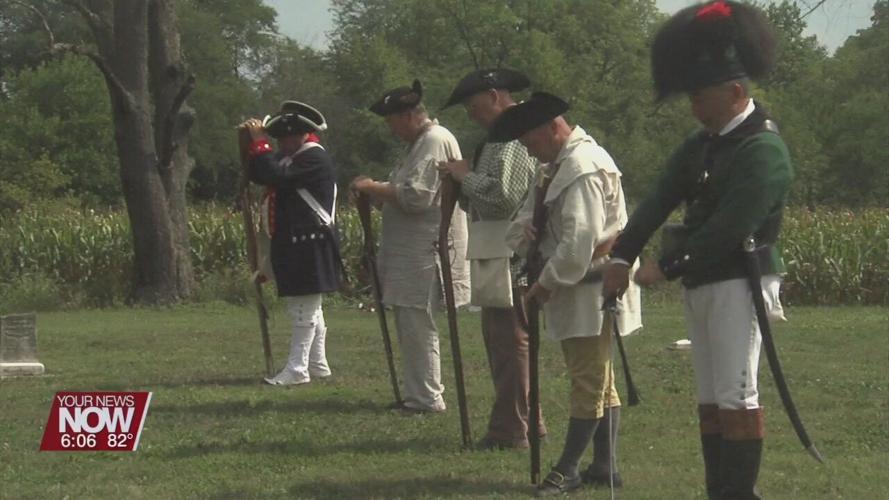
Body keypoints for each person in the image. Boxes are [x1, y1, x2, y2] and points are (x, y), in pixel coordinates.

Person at [601, 2, 792, 498]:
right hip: (705, 278)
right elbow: (659, 199)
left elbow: (730, 227)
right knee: (710, 396)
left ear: (735, 92)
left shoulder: (763, 150)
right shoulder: (702, 143)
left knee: (735, 393)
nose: (694, 107)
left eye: (701, 96)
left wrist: (665, 266)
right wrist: (622, 255)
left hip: (741, 278)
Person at [493, 92, 642, 496]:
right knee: (597, 378)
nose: (528, 149)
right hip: (577, 284)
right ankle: (605, 466)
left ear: (552, 126)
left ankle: (569, 469)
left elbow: (579, 243)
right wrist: (525, 233)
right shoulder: (556, 167)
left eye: (530, 139)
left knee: (588, 381)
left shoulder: (582, 167)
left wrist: (544, 284)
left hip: (590, 286)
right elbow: (525, 219)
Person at [437, 68, 547, 450]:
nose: (471, 113)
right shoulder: (498, 138)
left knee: (509, 344)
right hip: (499, 252)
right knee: (505, 342)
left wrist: (463, 177)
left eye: (473, 104)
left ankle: (511, 429)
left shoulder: (510, 137)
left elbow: (504, 199)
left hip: (511, 257)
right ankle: (528, 422)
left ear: (495, 96)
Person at [350, 79, 470, 414]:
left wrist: (371, 186)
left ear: (407, 116)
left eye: (392, 121)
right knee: (410, 324)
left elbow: (417, 197)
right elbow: (402, 194)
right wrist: (373, 194)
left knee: (417, 325)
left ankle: (426, 398)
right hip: (411, 252)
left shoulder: (433, 140)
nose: (391, 129)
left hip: (424, 252)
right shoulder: (418, 144)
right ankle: (418, 393)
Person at [242, 101, 342, 386]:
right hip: (297, 243)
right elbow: (262, 173)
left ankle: (298, 368)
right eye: (278, 139)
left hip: (309, 243)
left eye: (286, 138)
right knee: (309, 306)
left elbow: (275, 175)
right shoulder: (292, 158)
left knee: (303, 308)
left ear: (301, 135)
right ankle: (317, 364)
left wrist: (260, 144)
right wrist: (252, 146)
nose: (282, 144)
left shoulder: (314, 158)